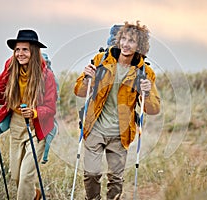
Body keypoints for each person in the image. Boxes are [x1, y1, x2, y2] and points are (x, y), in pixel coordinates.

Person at [74, 21, 161, 200]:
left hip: (120, 133)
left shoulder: (145, 72)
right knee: (91, 174)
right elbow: (80, 91)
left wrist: (147, 90)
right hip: (94, 128)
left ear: (140, 46)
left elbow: (153, 109)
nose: (126, 44)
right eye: (124, 39)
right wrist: (86, 78)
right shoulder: (101, 61)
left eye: (132, 41)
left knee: (115, 179)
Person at [0, 29, 57, 200]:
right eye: (17, 50)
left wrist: (34, 112)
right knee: (15, 175)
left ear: (33, 51)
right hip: (16, 123)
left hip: (37, 126)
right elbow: (0, 91)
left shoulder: (46, 75)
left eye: (25, 49)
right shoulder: (10, 67)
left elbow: (51, 108)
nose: (20, 54)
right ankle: (35, 196)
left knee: (25, 177)